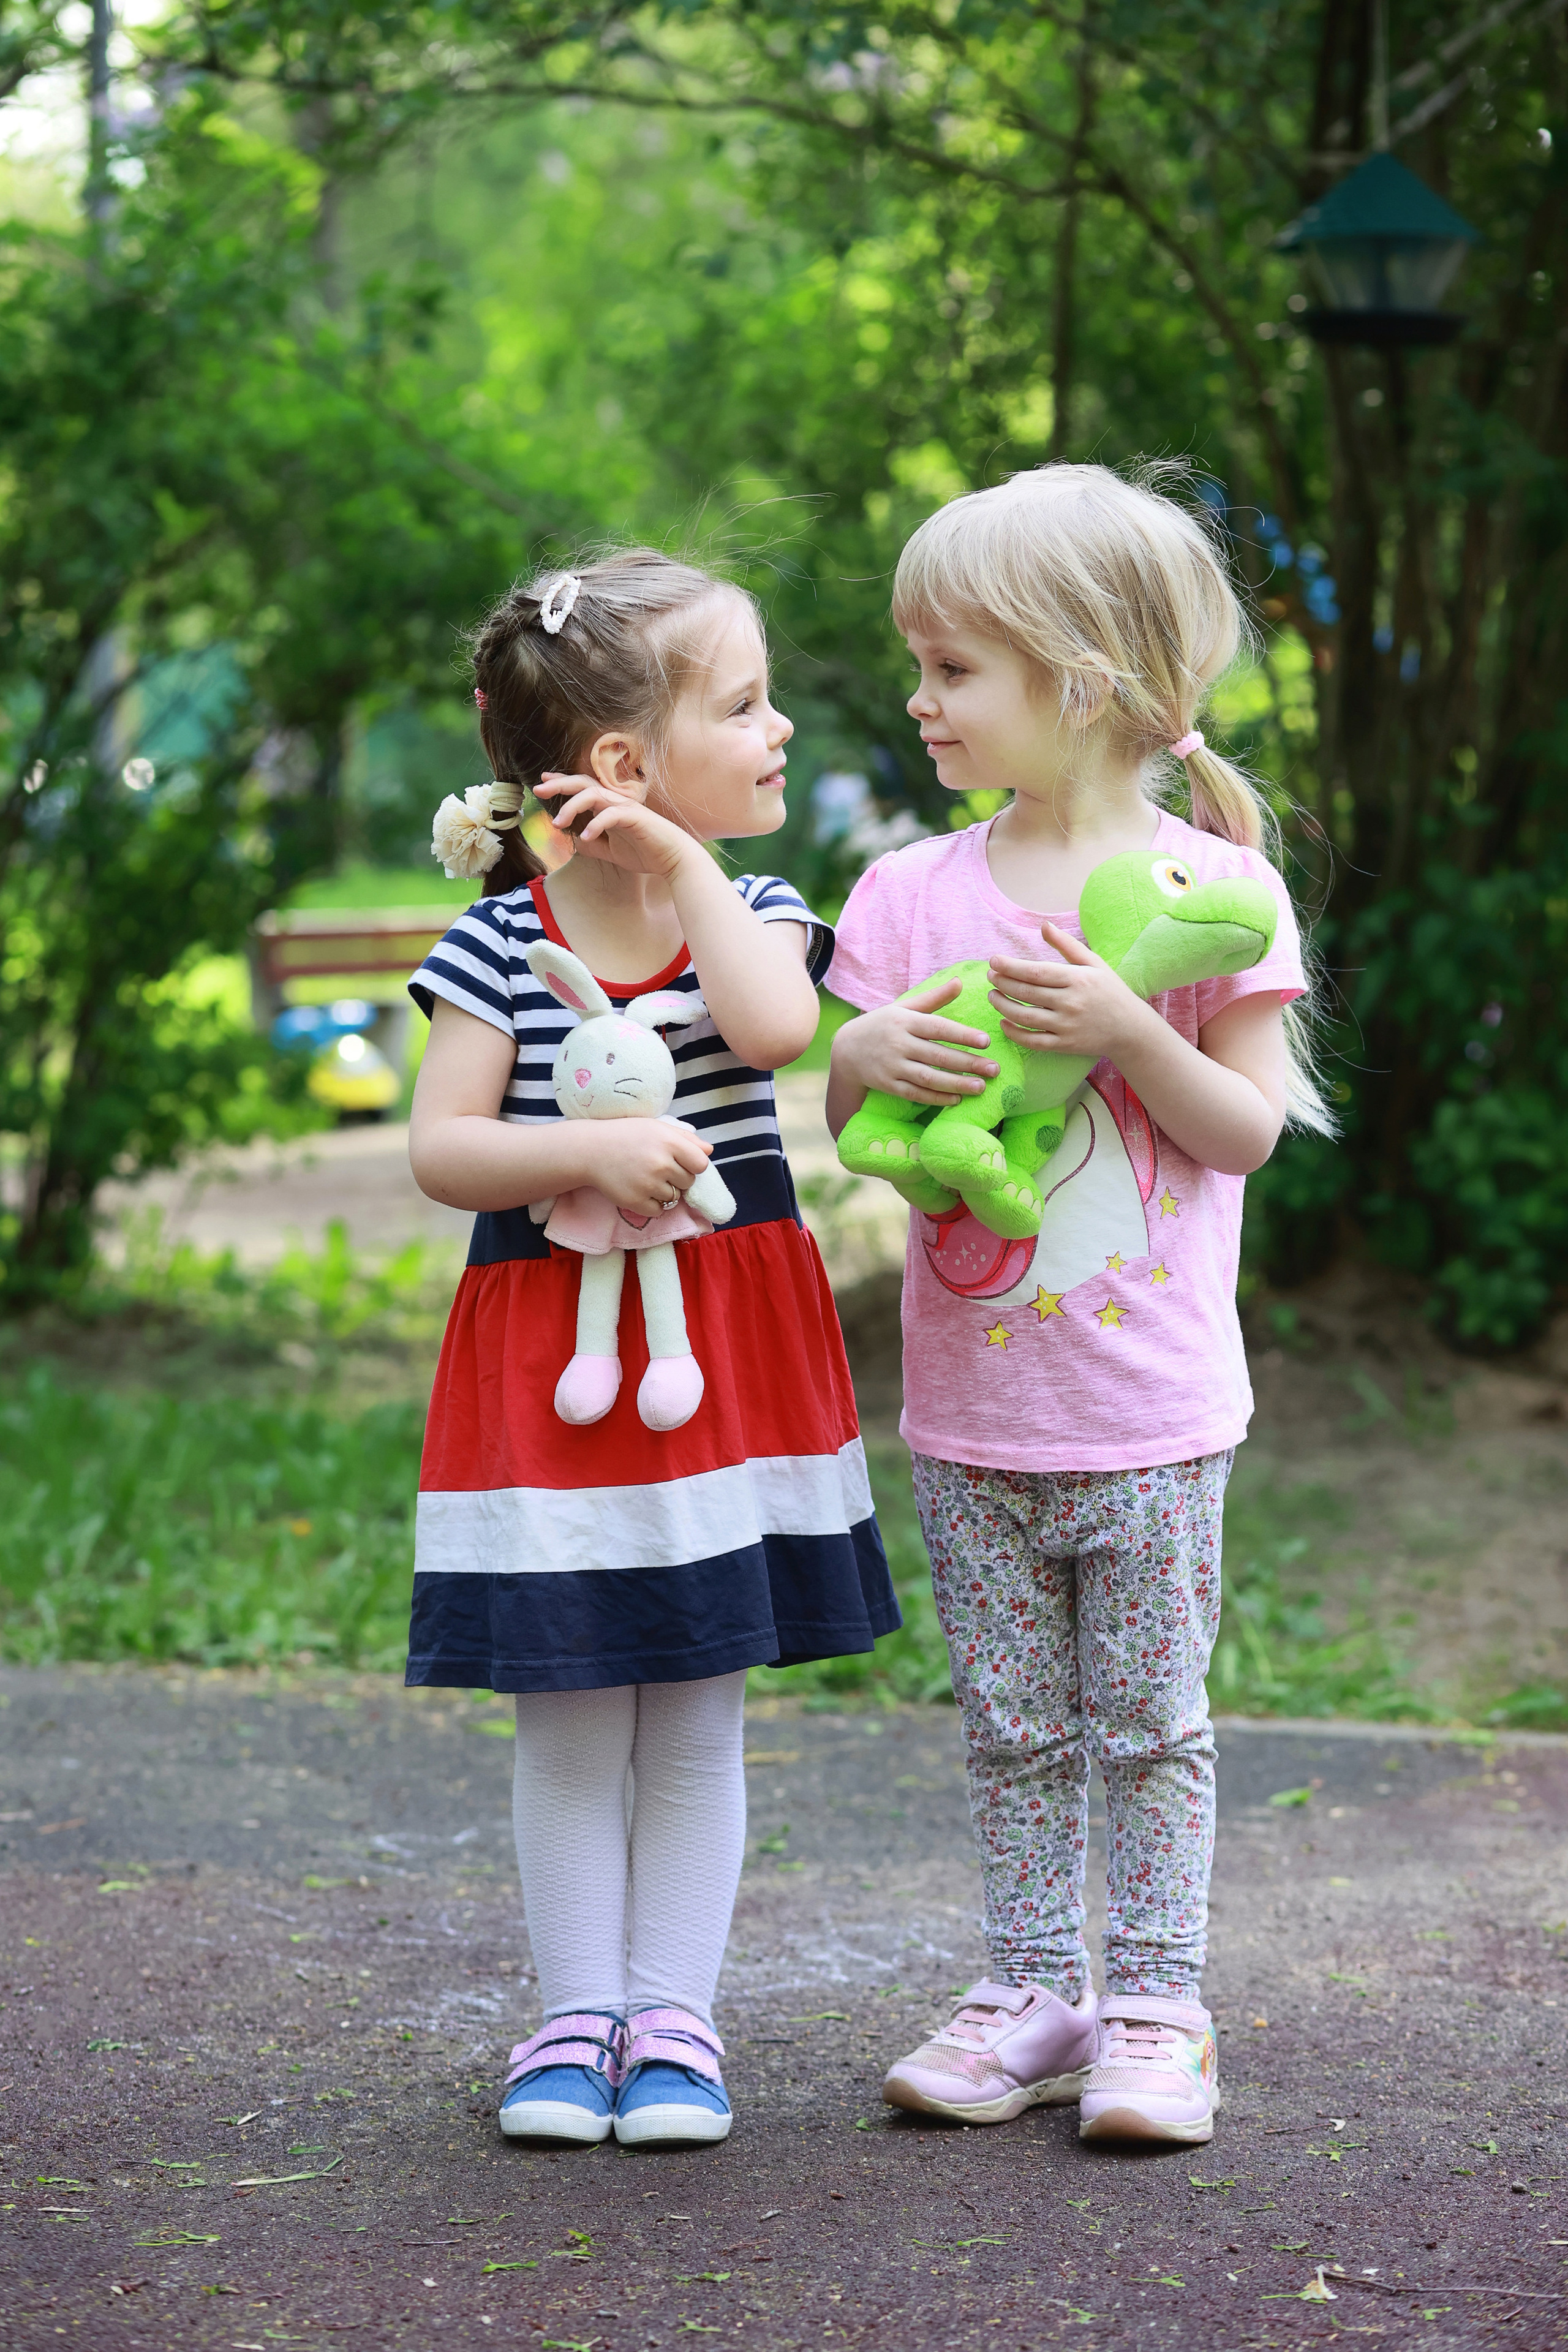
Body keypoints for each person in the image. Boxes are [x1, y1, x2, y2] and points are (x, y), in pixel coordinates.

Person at [825, 465, 1331, 2147]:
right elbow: (863, 1135)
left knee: (1152, 1724)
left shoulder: (1211, 896)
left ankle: (1157, 2009)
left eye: (953, 665)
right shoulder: (908, 896)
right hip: (973, 1414)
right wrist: (856, 1061)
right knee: (1014, 1723)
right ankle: (1034, 1988)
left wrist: (1126, 1023)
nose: (919, 697)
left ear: (1084, 680)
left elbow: (1244, 1131)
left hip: (1152, 1414)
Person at [405, 550, 896, 2150]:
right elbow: (444, 1149)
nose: (783, 729)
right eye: (745, 705)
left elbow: (767, 1034)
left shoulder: (749, 909)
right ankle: (573, 2020)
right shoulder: (498, 938)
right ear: (621, 761)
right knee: (570, 1704)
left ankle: (675, 2020)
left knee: (695, 1698)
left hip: (723, 1367)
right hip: (551, 1362)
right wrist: (577, 1156)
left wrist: (685, 867)